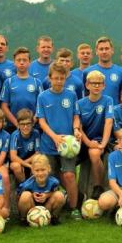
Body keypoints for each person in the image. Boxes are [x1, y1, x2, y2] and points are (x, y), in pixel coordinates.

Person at [36, 63, 82, 218]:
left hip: (68, 144)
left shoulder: (71, 95)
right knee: (49, 176)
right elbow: (41, 121)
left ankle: (74, 207)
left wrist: (76, 129)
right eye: (55, 78)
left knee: (69, 175)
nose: (59, 81)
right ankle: (51, 206)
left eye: (62, 78)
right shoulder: (43, 96)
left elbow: (76, 116)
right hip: (49, 144)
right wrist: (54, 137)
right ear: (49, 78)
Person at [77, 71, 115, 199]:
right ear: (87, 85)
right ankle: (75, 195)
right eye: (93, 83)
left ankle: (98, 187)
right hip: (84, 141)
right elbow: (78, 127)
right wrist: (88, 142)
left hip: (101, 139)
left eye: (99, 83)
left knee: (94, 153)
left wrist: (103, 144)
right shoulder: (80, 103)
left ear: (104, 85)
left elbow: (108, 122)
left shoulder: (108, 100)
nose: (96, 86)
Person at [0, 47, 43, 132]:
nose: (21, 62)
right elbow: (4, 106)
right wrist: (17, 123)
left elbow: (41, 105)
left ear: (29, 62)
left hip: (34, 127)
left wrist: (32, 122)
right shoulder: (8, 82)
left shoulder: (37, 82)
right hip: (13, 126)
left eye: (24, 60)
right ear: (14, 62)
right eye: (18, 60)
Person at [17, 154, 65, 225]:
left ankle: (53, 217)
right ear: (32, 170)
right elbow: (19, 198)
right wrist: (32, 195)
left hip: (46, 208)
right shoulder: (27, 184)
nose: (40, 173)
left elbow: (55, 192)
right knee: (25, 195)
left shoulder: (54, 182)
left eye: (43, 170)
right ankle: (24, 219)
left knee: (60, 195)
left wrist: (47, 195)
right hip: (32, 208)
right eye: (37, 170)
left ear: (48, 168)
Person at [83, 37, 122, 104]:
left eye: (107, 49)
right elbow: (85, 96)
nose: (104, 52)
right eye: (101, 49)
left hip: (113, 113)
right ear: (96, 51)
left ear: (112, 50)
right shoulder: (87, 72)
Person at [8, 109, 40, 183]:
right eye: (22, 124)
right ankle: (23, 186)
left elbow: (37, 153)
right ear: (18, 125)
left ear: (32, 124)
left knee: (38, 161)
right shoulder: (15, 135)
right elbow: (13, 157)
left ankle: (33, 186)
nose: (25, 127)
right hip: (17, 161)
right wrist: (28, 165)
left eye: (28, 124)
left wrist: (25, 163)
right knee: (16, 166)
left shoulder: (36, 133)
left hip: (29, 160)